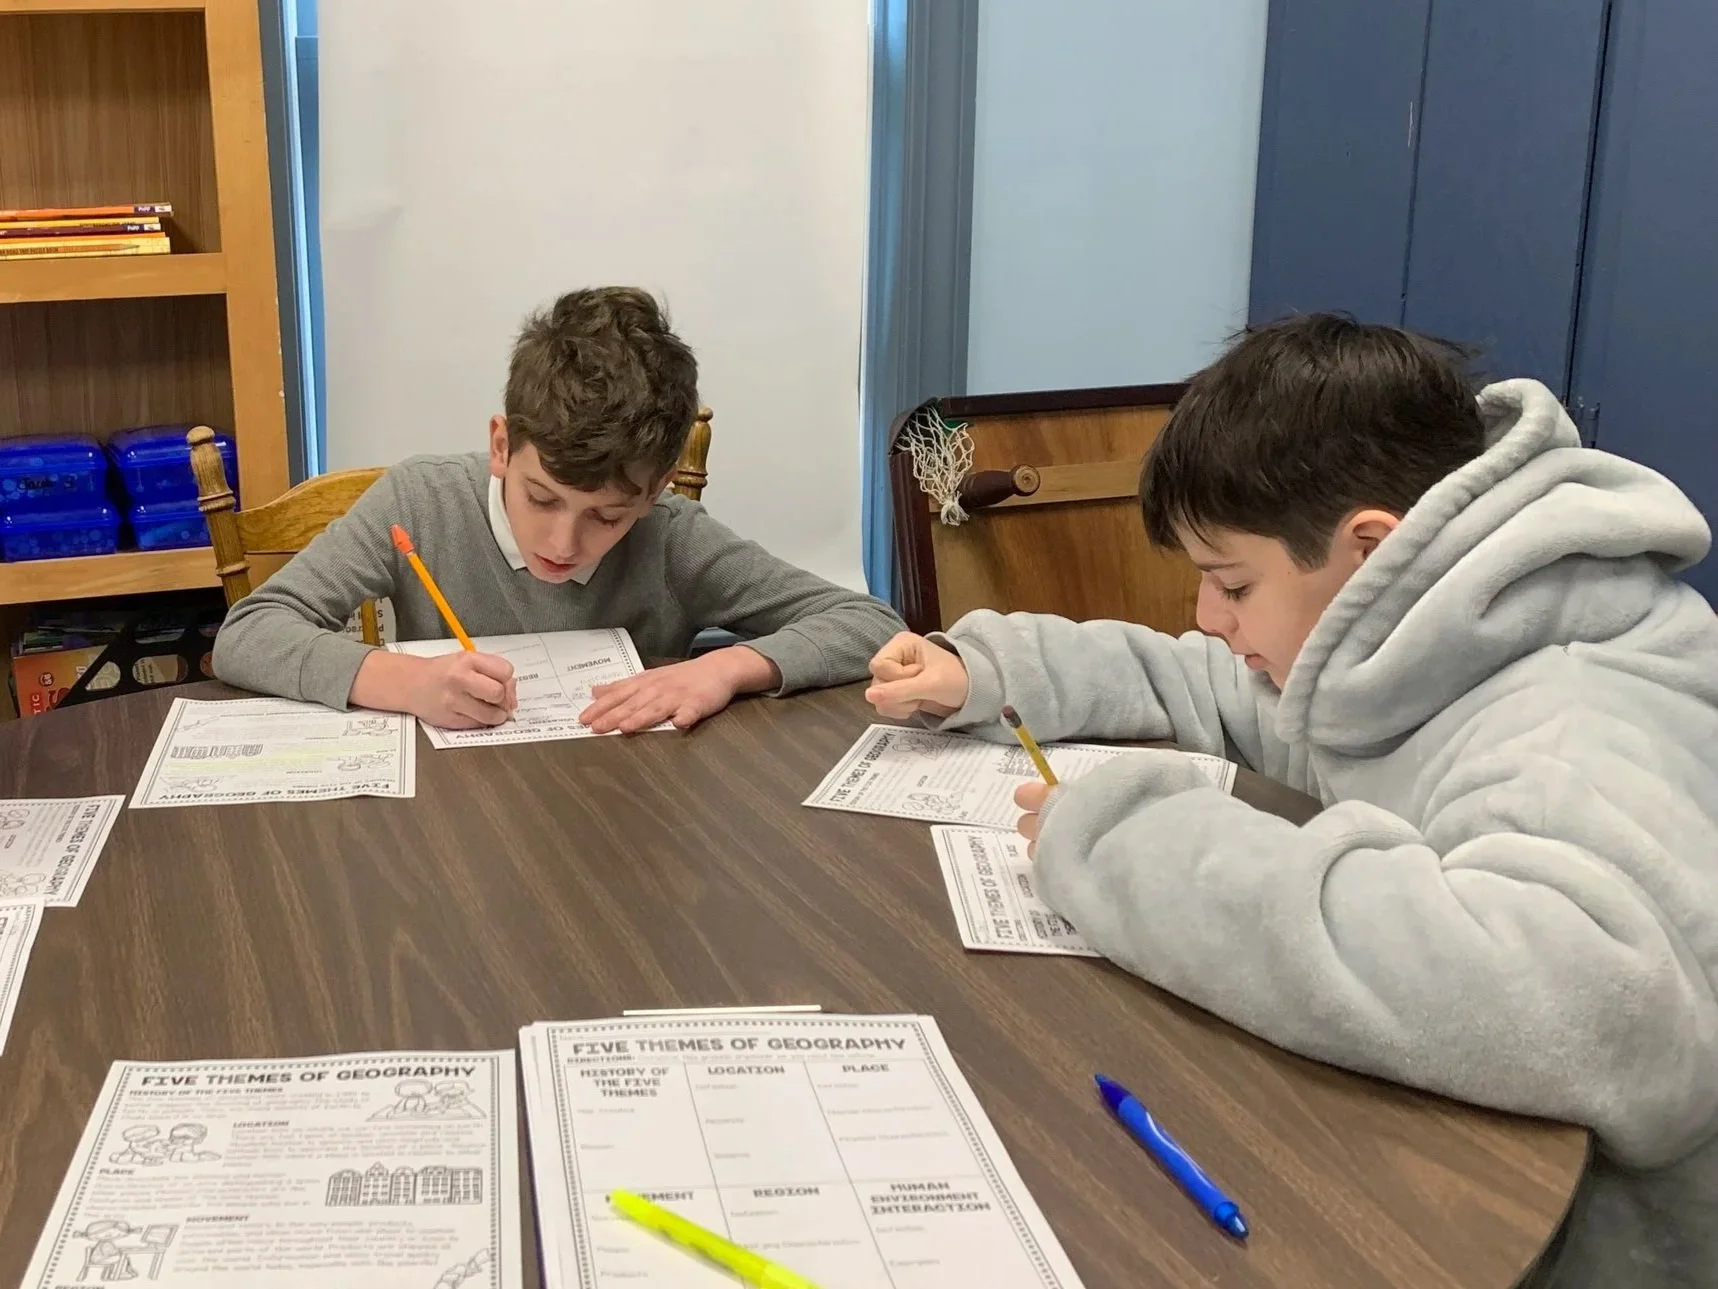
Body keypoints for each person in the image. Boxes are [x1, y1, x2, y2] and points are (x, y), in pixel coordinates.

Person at [864, 314, 1718, 1289]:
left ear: (1365, 550)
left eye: (1229, 581)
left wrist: (1126, 840)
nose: (1205, 613)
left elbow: (1595, 1010)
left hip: (1574, 1246)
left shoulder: (1575, 720)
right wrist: (986, 668)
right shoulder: (1417, 631)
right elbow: (1225, 690)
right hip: (1439, 1156)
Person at [213, 287, 902, 731]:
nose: (562, 540)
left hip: (627, 824)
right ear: (501, 444)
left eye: (607, 515)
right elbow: (246, 634)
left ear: (656, 488)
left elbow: (870, 624)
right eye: (540, 497)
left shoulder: (672, 539)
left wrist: (721, 669)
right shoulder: (420, 502)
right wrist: (407, 679)